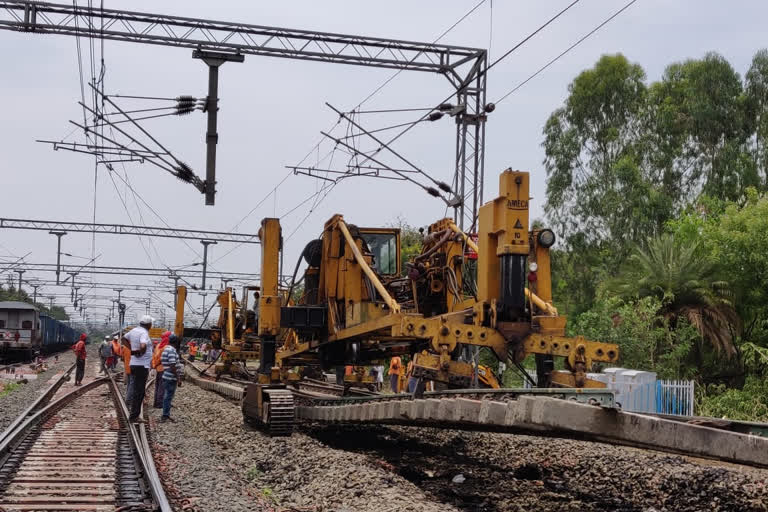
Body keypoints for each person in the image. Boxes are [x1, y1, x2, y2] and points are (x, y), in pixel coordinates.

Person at [122, 316, 153, 423]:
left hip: (134, 364)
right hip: (142, 366)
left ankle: (133, 414)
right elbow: (143, 345)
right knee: (139, 392)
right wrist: (140, 352)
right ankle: (134, 416)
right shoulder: (144, 333)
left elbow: (123, 338)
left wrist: (131, 350)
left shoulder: (134, 330)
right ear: (149, 325)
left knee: (136, 389)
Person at [160, 334, 183, 422]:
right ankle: (165, 415)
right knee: (168, 396)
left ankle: (166, 414)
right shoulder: (172, 351)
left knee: (167, 396)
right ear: (176, 342)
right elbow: (172, 365)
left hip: (167, 375)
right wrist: (178, 378)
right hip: (170, 377)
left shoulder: (166, 349)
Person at [151, 331, 172, 409]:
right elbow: (161, 358)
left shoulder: (158, 345)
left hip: (158, 369)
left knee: (158, 386)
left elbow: (154, 357)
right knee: (162, 387)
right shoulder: (167, 347)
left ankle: (156, 402)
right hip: (164, 368)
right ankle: (160, 403)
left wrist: (154, 366)